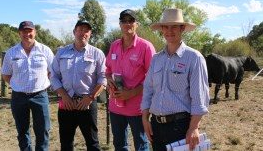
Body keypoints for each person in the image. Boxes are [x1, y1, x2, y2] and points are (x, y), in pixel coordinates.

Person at [141, 8, 210, 151]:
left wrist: (193, 127)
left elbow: (199, 97)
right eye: (165, 27)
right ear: (161, 29)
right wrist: (145, 117)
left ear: (182, 28)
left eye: (174, 27)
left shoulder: (194, 58)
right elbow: (148, 88)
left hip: (180, 127)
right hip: (156, 126)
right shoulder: (156, 59)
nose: (169, 31)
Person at [50, 20, 106, 151]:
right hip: (66, 104)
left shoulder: (97, 54)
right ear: (74, 32)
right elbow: (54, 76)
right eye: (80, 29)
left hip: (86, 104)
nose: (83, 33)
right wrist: (64, 96)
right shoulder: (61, 53)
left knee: (92, 143)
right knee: (66, 143)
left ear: (90, 34)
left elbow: (103, 79)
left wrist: (91, 97)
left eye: (86, 30)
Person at [106, 9, 156, 151]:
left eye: (131, 21)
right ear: (120, 24)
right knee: (119, 145)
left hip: (137, 109)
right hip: (115, 107)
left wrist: (132, 93)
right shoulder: (114, 45)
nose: (127, 24)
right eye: (124, 21)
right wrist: (109, 79)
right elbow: (108, 69)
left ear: (137, 24)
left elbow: (153, 79)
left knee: (141, 145)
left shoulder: (146, 47)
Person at [1, 21, 54, 151]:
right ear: (19, 33)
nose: (27, 34)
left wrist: (42, 84)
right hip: (19, 97)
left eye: (30, 31)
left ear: (35, 32)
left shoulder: (45, 50)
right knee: (22, 131)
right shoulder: (11, 52)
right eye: (24, 31)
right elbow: (6, 74)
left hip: (40, 96)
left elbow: (53, 71)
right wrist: (18, 85)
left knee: (43, 131)